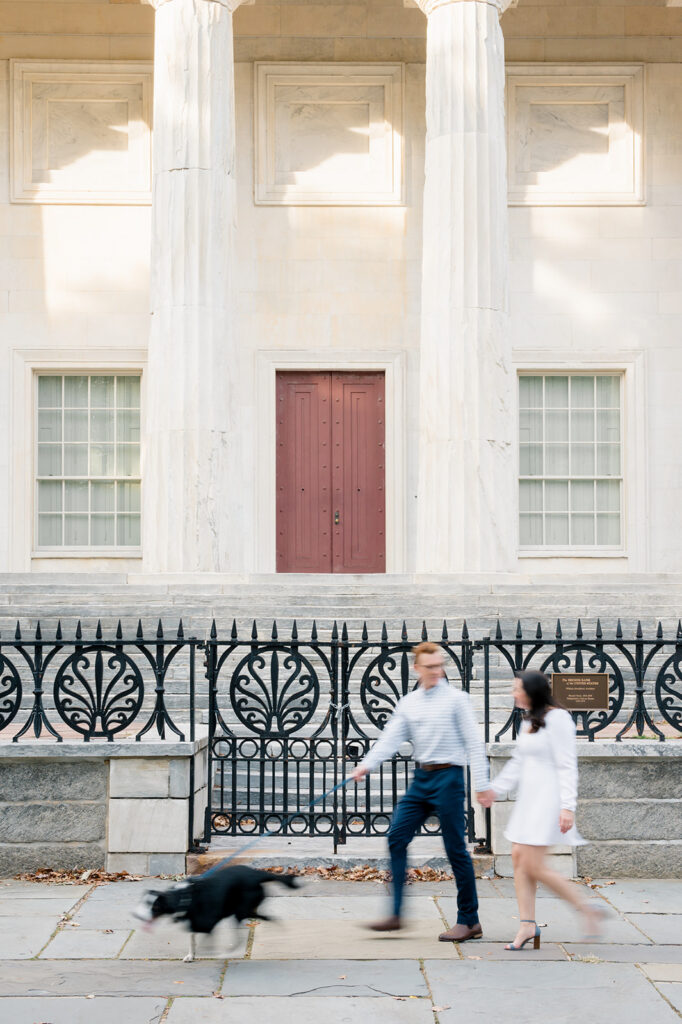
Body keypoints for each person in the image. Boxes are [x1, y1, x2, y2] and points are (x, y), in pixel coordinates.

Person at [350, 641, 490, 941]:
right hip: (421, 779)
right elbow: (390, 739)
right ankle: (396, 914)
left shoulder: (457, 700)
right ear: (417, 669)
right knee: (396, 838)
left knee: (455, 851)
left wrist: (483, 784)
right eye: (430, 667)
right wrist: (365, 765)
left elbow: (474, 744)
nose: (437, 671)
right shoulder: (409, 703)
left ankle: (469, 920)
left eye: (440, 665)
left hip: (449, 777)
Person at [477, 670, 605, 950]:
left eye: (516, 688)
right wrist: (494, 790)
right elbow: (517, 762)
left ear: (531, 691)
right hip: (529, 800)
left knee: (534, 865)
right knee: (519, 858)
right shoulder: (529, 721)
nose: (513, 693)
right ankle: (527, 925)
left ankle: (587, 910)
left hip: (548, 800)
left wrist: (567, 807)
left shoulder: (558, 719)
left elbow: (567, 764)